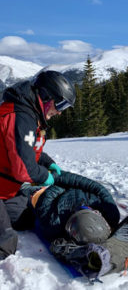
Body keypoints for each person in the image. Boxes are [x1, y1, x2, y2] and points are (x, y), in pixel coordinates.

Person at [20, 171, 128, 280]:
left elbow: (46, 197)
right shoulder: (111, 212)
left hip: (41, 192)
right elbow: (95, 186)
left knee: (24, 187)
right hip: (59, 183)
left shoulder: (52, 224)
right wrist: (59, 177)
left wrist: (59, 185)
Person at [0, 70, 76, 259]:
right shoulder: (19, 116)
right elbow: (23, 168)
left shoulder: (31, 115)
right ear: (46, 97)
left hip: (5, 188)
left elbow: (29, 150)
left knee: (25, 219)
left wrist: (48, 163)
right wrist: (44, 176)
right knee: (5, 244)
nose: (59, 111)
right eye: (60, 104)